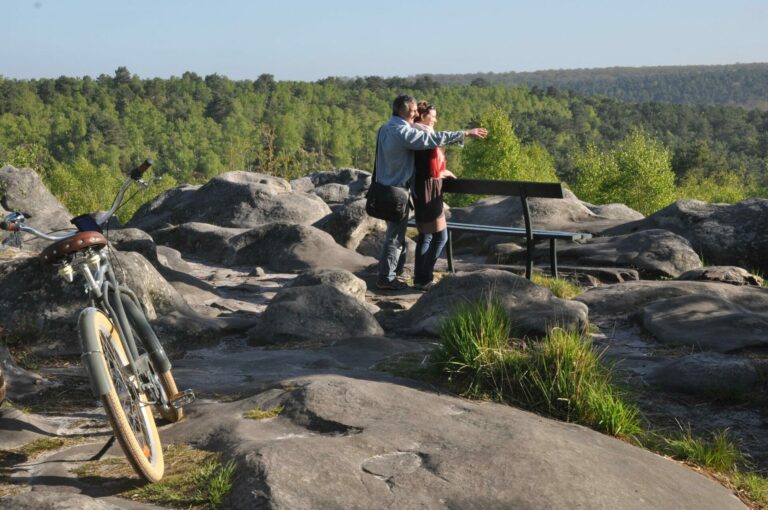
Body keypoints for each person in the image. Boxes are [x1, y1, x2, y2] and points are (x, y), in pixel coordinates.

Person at [374, 95, 487, 290]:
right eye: (413, 111)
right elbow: (431, 138)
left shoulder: (384, 129)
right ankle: (386, 278)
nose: (416, 114)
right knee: (394, 237)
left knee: (397, 235)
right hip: (396, 191)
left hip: (383, 188)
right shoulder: (403, 132)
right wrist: (465, 133)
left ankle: (394, 276)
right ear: (402, 111)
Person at [411, 101, 454, 290]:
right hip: (429, 189)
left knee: (426, 236)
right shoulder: (424, 135)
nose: (435, 119)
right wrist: (443, 173)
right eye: (433, 116)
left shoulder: (412, 133)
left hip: (422, 189)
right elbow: (429, 167)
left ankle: (420, 279)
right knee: (440, 236)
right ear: (422, 116)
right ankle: (425, 278)